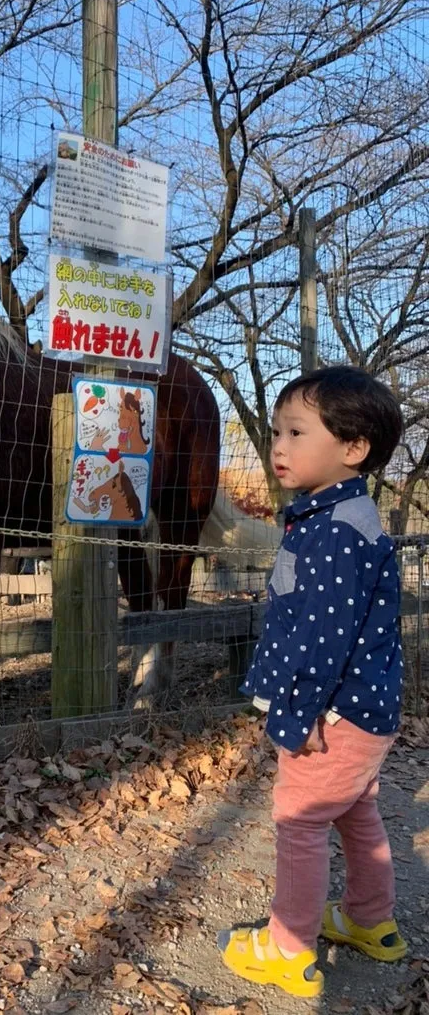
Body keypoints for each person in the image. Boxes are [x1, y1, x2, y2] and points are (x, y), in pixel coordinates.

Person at [218, 366, 407, 998]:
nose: (278, 446)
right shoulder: (350, 516)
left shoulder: (332, 532)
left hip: (331, 716)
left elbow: (322, 643)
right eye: (276, 431)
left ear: (353, 449)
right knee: (356, 811)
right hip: (367, 712)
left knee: (300, 821)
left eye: (297, 432)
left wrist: (296, 720)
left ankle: (288, 946)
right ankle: (369, 921)